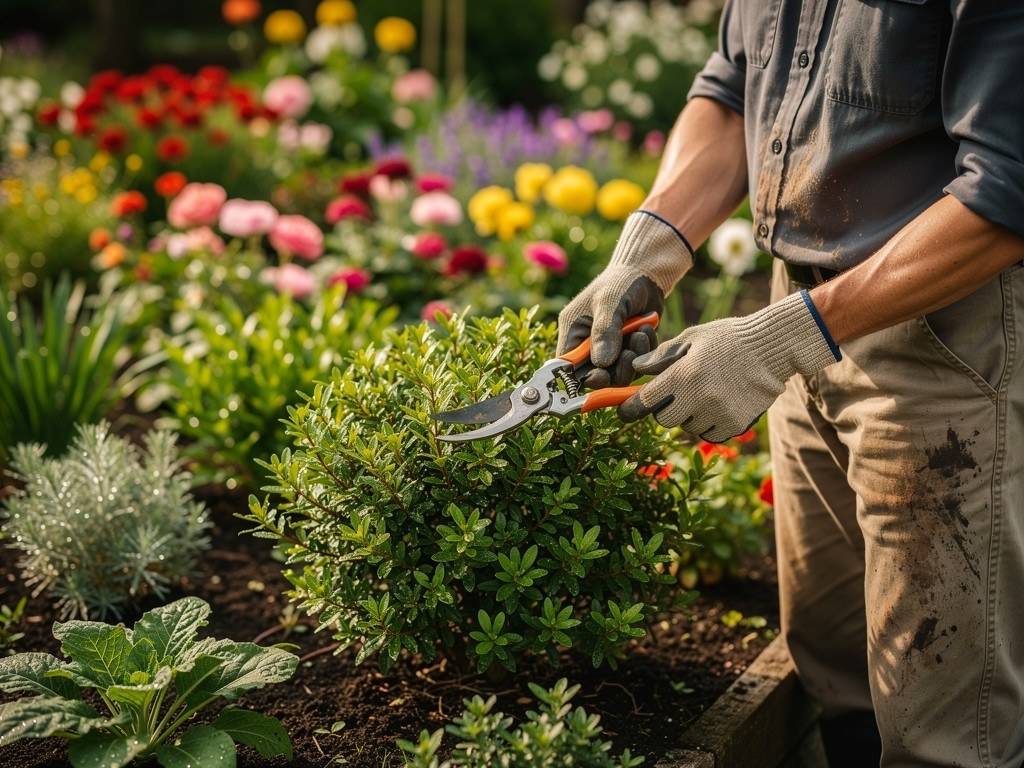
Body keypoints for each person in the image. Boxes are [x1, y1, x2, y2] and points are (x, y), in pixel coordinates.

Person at [557, 1, 1024, 766]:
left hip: (938, 335)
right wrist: (644, 252)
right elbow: (732, 89)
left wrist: (782, 340)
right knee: (835, 672)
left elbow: (1008, 191)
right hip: (800, 310)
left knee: (942, 733)